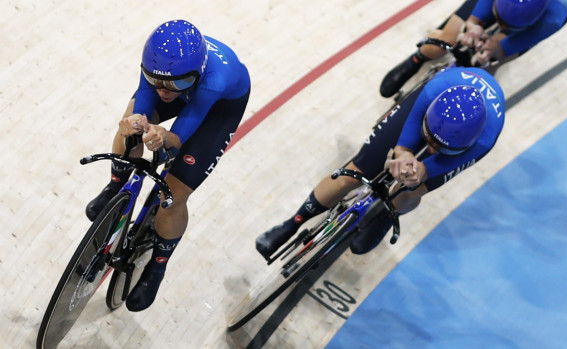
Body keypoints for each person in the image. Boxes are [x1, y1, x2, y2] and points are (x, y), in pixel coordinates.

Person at [84, 20, 251, 311]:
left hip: (216, 109)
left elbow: (178, 139)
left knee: (172, 196)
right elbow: (147, 104)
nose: (165, 91)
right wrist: (135, 125)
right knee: (130, 127)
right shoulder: (158, 72)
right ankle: (115, 186)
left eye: (177, 83)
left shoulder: (217, 79)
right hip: (188, 82)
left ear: (196, 73)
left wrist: (164, 138)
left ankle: (156, 269)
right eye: (156, 80)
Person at [256, 66, 505, 258]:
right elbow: (404, 144)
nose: (431, 148)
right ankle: (292, 224)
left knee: (413, 189)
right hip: (437, 99)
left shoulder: (483, 141)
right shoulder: (433, 90)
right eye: (429, 139)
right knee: (353, 173)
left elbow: (430, 170)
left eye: (441, 148)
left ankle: (388, 215)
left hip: (463, 133)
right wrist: (404, 154)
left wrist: (421, 171)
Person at [379, 0, 567, 98]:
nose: (498, 24)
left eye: (504, 24)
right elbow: (474, 20)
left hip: (555, 5)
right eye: (497, 16)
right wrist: (472, 27)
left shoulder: (553, 20)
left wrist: (493, 51)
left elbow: (504, 48)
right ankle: (418, 58)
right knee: (449, 36)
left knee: (491, 66)